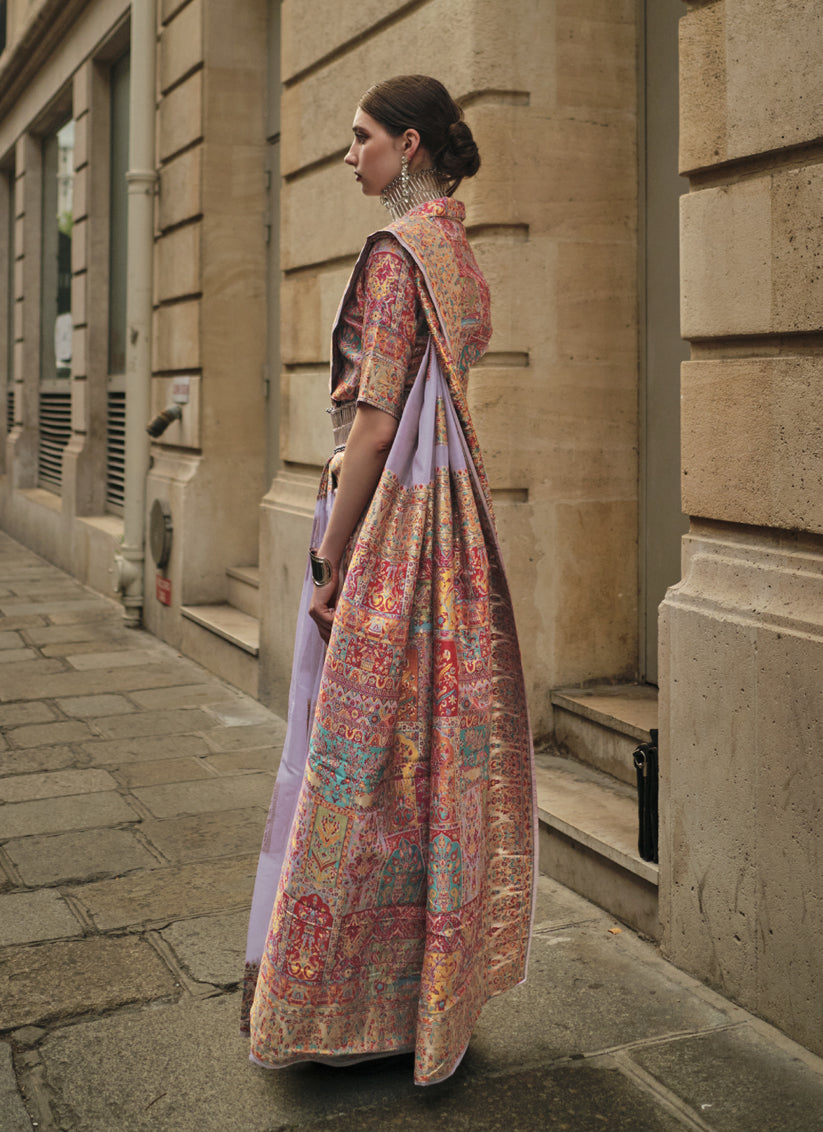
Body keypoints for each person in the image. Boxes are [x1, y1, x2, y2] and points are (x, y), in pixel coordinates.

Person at [242, 75, 536, 1087]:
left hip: (396, 530)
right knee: (431, 770)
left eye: (359, 137)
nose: (347, 153)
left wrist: (331, 560)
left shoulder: (393, 256)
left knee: (357, 770)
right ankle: (428, 1002)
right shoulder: (458, 256)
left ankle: (333, 1007)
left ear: (407, 145)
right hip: (457, 533)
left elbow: (372, 422)